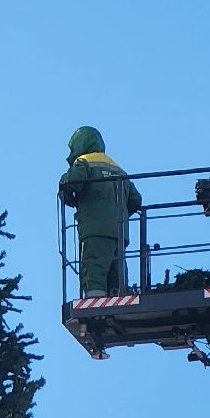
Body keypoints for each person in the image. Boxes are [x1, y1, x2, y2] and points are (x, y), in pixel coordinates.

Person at [58, 126, 142, 298]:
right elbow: (136, 200)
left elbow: (72, 182)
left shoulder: (84, 161)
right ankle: (118, 300)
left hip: (94, 229)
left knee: (94, 271)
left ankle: (94, 306)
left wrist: (64, 188)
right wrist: (120, 215)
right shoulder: (118, 169)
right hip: (119, 234)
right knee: (117, 275)